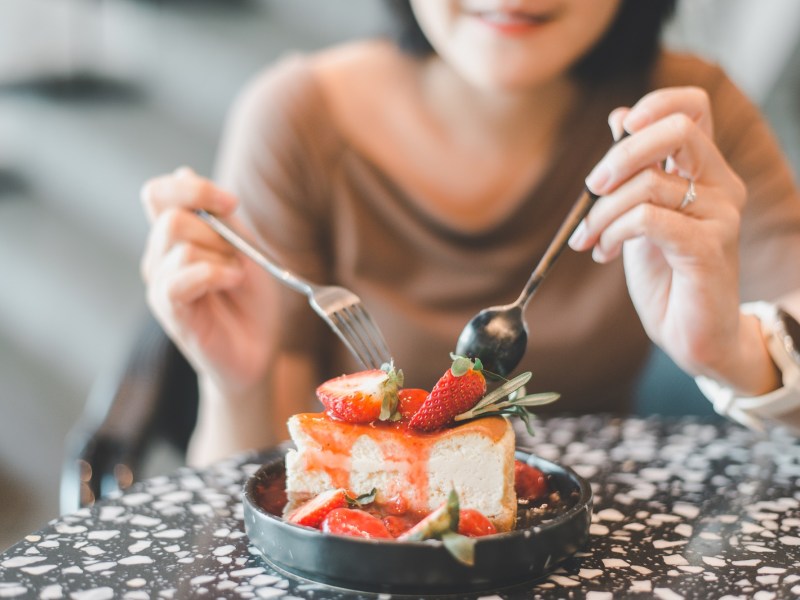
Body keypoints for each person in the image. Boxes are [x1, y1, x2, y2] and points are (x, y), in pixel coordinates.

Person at [140, 0, 800, 466]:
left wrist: (732, 351)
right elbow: (271, 497)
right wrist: (237, 383)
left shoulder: (682, 124)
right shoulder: (296, 121)